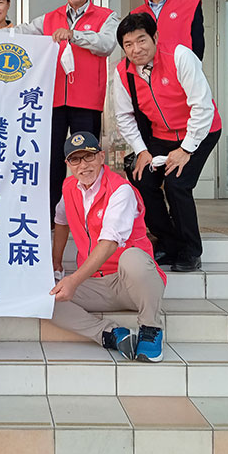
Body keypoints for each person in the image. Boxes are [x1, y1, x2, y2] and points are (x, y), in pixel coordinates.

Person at [0, 0, 119, 223]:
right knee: (50, 162)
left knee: (87, 160)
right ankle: (50, 219)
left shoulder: (106, 16)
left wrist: (74, 35)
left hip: (87, 102)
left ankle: (92, 216)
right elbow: (21, 32)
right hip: (52, 103)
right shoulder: (50, 18)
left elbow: (107, 44)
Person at [113, 12, 221, 272]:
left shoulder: (180, 56)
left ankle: (191, 250)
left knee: (177, 184)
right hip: (161, 135)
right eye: (128, 44)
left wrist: (186, 149)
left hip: (200, 131)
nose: (136, 49)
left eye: (141, 40)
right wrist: (141, 151)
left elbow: (202, 106)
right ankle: (169, 243)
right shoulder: (123, 72)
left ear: (155, 37)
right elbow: (124, 116)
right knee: (141, 177)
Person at [50, 132, 166, 362]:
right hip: (97, 283)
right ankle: (110, 334)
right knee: (45, 300)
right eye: (75, 159)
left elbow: (110, 242)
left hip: (132, 283)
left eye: (89, 156)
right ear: (68, 164)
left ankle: (151, 328)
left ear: (101, 157)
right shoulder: (69, 187)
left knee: (132, 258)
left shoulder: (121, 190)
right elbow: (60, 221)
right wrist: (56, 263)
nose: (83, 165)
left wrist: (73, 280)